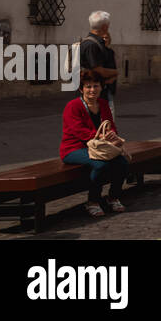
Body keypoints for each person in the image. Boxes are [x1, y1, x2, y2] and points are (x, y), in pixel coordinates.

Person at [60, 72, 129, 217]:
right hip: (74, 149)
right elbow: (79, 131)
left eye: (96, 86)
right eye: (88, 86)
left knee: (122, 162)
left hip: (99, 147)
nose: (92, 89)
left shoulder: (103, 104)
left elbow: (111, 125)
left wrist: (111, 134)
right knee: (100, 165)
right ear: (81, 89)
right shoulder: (73, 106)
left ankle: (113, 197)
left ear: (101, 87)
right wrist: (101, 136)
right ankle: (93, 201)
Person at [78, 10, 119, 118]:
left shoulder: (92, 43)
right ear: (105, 27)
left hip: (97, 91)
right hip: (94, 93)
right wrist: (115, 72)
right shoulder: (91, 45)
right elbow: (97, 69)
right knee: (100, 123)